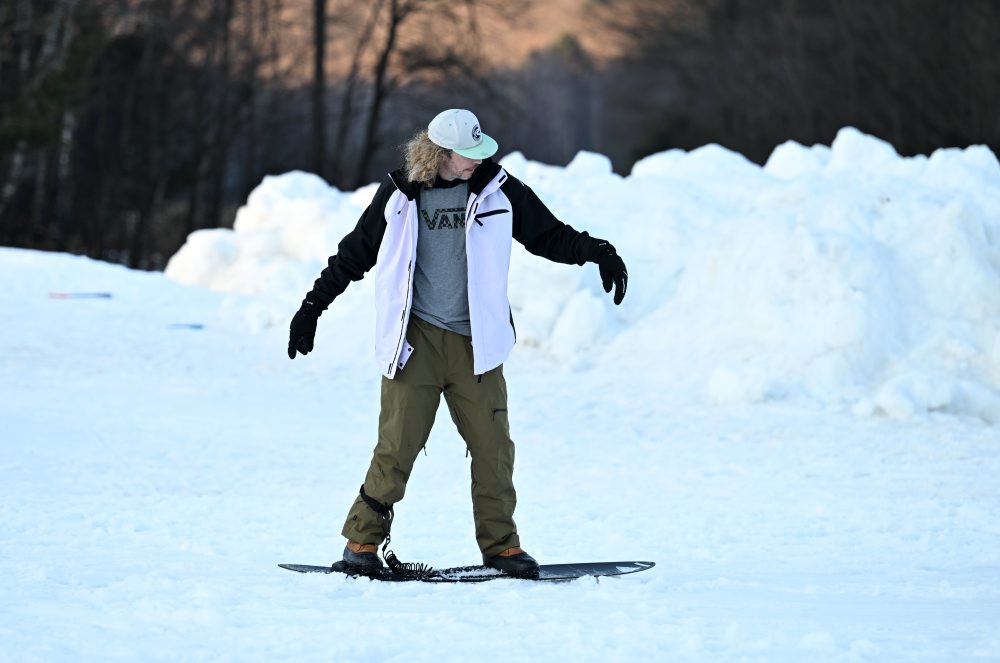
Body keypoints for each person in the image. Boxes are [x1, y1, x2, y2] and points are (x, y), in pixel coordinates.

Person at [287, 108, 628, 578]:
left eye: (477, 152)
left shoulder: (498, 190)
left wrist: (596, 251)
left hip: (477, 342)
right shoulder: (400, 195)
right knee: (397, 447)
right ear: (438, 153)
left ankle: (502, 547)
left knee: (493, 448)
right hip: (416, 341)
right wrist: (311, 309)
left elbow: (548, 235)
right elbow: (352, 255)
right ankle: (361, 542)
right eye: (465, 155)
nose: (475, 161)